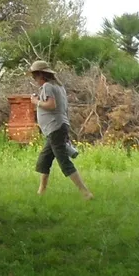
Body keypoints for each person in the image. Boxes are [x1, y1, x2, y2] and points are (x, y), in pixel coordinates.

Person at [30, 59, 91, 199]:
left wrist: (36, 102)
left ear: (41, 75)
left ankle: (85, 192)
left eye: (35, 76)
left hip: (54, 127)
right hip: (57, 127)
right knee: (44, 160)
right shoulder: (59, 87)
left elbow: (51, 105)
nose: (35, 80)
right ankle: (41, 191)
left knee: (64, 162)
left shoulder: (47, 86)